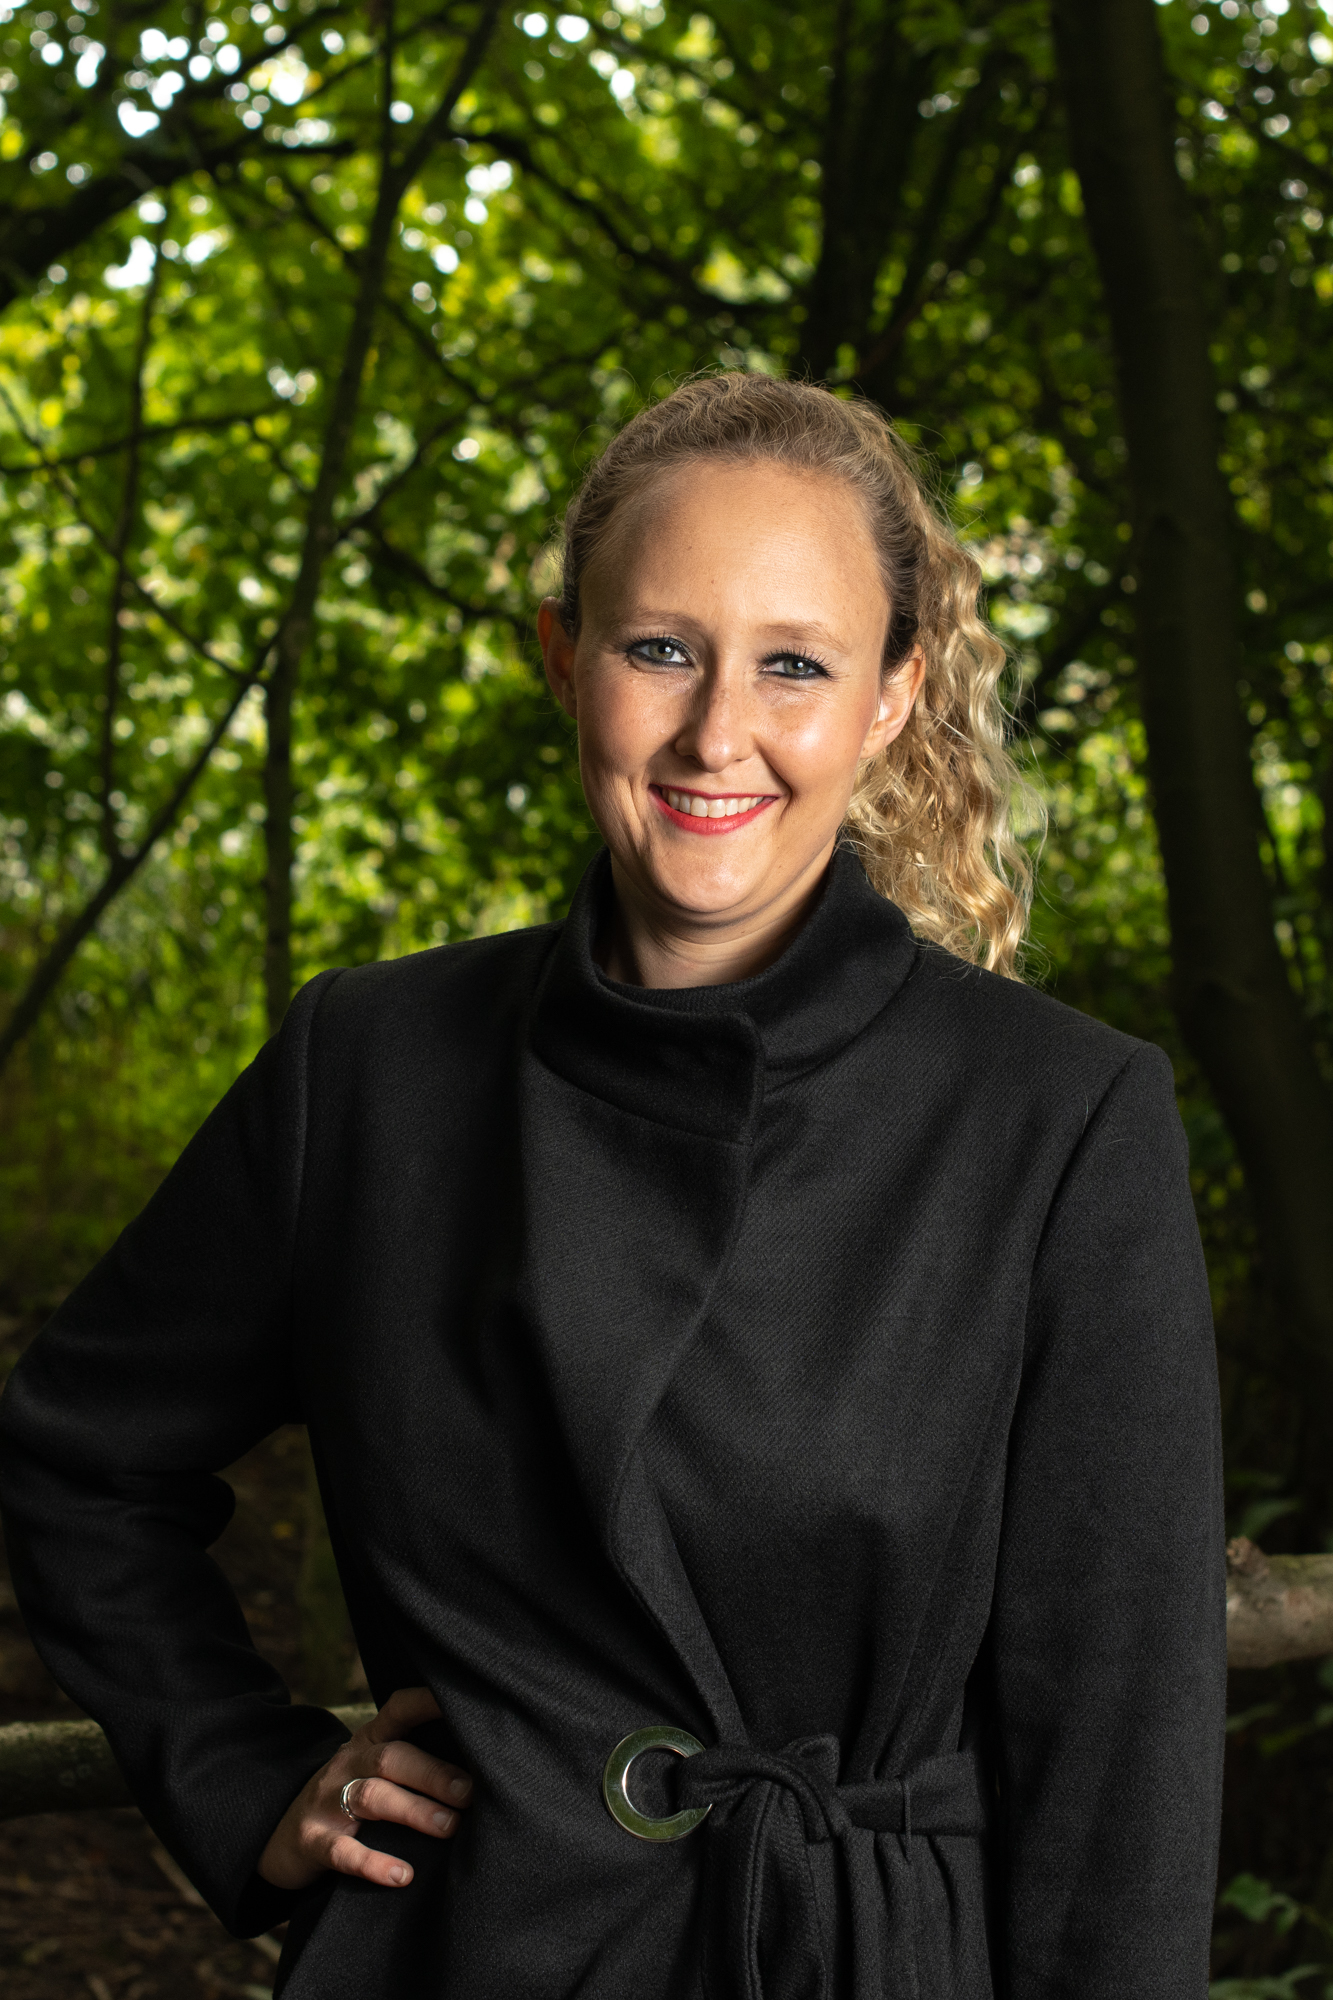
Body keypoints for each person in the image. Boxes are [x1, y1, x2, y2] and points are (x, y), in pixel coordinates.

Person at [0, 374, 1225, 1998]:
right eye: (659, 649)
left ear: (890, 699)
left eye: (794, 664)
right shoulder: (369, 1066)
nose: (716, 733)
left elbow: (1120, 1763)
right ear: (560, 656)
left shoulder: (1058, 1118)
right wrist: (243, 1775)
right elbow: (76, 1458)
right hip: (458, 1955)